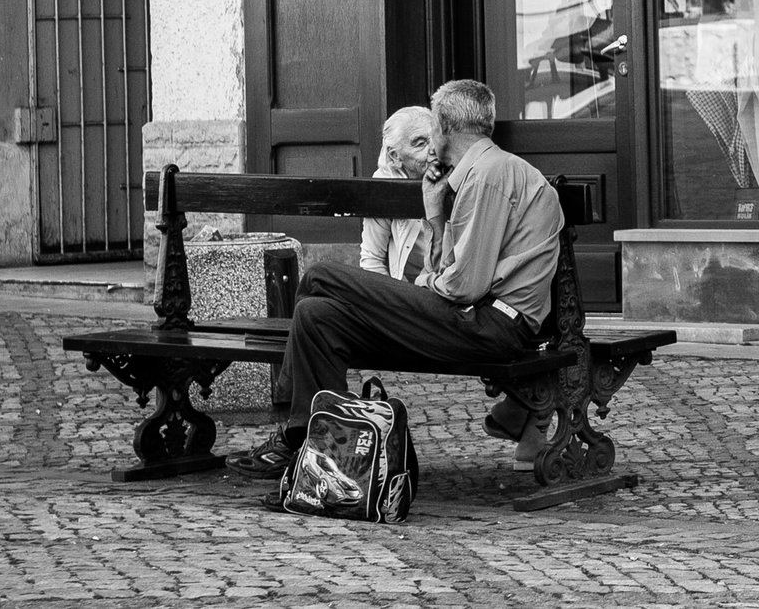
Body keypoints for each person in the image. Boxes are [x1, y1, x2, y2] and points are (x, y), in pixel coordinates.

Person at [226, 79, 565, 479]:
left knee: (320, 276)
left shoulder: (489, 175)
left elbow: (463, 286)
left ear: (443, 128)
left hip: (491, 323)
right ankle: (320, 453)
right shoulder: (477, 172)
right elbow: (454, 269)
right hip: (473, 316)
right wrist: (435, 214)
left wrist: (418, 288)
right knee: (317, 316)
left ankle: (286, 415)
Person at [360, 106, 437, 282]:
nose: (433, 149)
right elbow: (372, 261)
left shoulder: (453, 172)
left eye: (435, 139)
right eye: (421, 143)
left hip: (448, 288)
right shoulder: (384, 183)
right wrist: (391, 304)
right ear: (395, 156)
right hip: (406, 290)